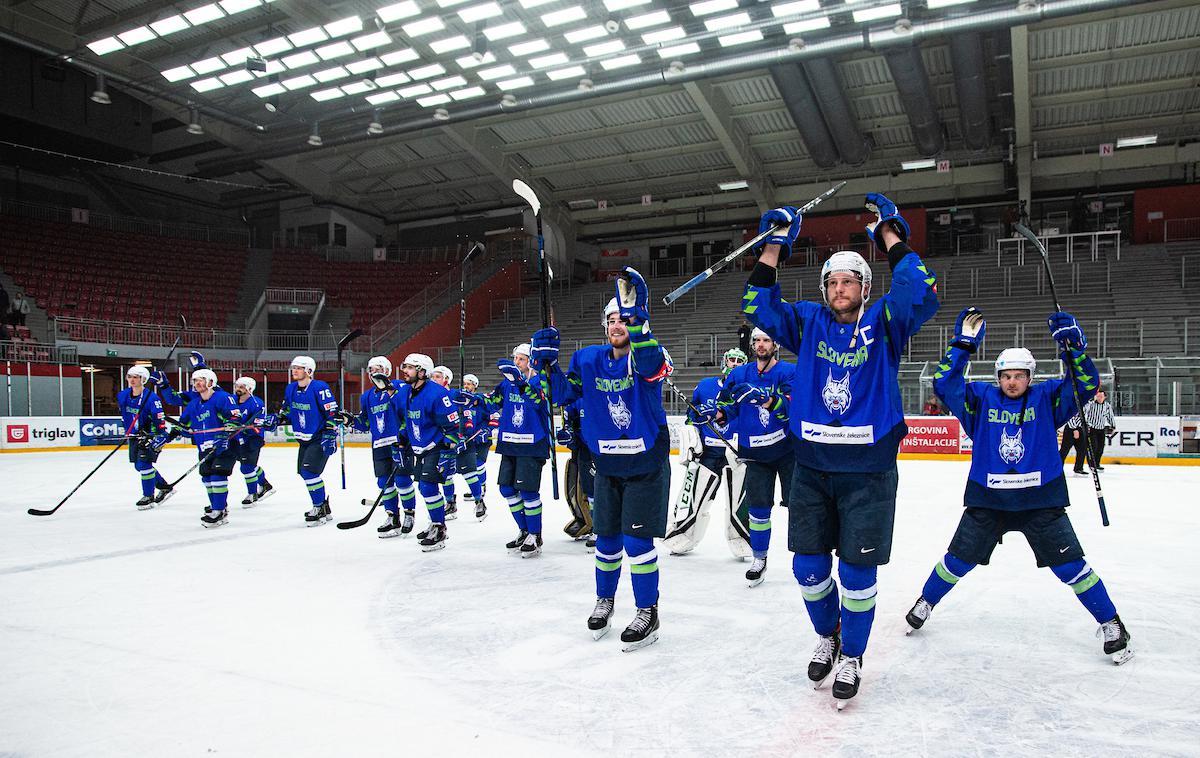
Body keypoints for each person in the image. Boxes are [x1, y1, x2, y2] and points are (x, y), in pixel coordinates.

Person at [742, 193, 939, 706]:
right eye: (831, 281)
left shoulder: (885, 324)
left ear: (865, 287)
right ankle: (827, 635)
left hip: (867, 473)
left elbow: (920, 290)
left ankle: (852, 653)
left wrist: (890, 234)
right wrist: (774, 247)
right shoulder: (807, 322)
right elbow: (757, 306)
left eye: (848, 280)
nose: (838, 288)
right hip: (811, 468)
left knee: (856, 573)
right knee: (808, 568)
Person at [905, 309, 1132, 665]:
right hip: (988, 500)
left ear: (1031, 377)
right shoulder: (980, 399)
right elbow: (944, 384)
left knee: (1072, 568)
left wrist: (1074, 348)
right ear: (997, 377)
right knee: (956, 562)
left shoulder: (1048, 398)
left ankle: (1112, 623)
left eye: (1019, 376)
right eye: (1006, 376)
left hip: (1041, 502)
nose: (1012, 382)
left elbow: (1087, 385)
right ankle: (926, 601)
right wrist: (962, 345)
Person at [532, 268, 673, 652]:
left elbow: (650, 369)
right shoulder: (587, 359)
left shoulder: (650, 351)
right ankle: (605, 600)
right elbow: (561, 395)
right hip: (606, 463)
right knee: (607, 541)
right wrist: (545, 365)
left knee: (637, 542)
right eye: (612, 319)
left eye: (623, 318)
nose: (617, 324)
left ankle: (648, 609)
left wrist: (639, 324)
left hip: (645, 464)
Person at [709, 331, 795, 587]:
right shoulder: (738, 375)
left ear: (776, 344)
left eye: (766, 340)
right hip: (754, 454)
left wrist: (768, 401)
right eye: (757, 341)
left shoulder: (788, 372)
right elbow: (729, 407)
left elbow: (794, 408)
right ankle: (759, 559)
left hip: (788, 451)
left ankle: (806, 556)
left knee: (800, 507)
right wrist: (719, 415)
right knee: (758, 511)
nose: (761, 345)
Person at [463, 344, 551, 556]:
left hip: (532, 444)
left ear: (531, 361)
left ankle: (535, 534)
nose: (516, 362)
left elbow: (540, 401)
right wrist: (473, 400)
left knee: (529, 491)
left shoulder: (541, 380)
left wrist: (522, 385)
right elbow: (492, 403)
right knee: (507, 489)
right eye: (515, 358)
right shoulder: (507, 383)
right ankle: (524, 530)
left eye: (521, 359)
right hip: (509, 442)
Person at [664, 347, 749, 558]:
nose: (735, 364)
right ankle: (683, 535)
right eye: (732, 360)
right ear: (724, 362)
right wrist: (694, 427)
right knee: (696, 494)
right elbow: (691, 414)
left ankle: (741, 538)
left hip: (735, 452)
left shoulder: (748, 390)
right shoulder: (705, 386)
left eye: (740, 361)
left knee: (739, 500)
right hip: (709, 451)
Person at [260, 356, 340, 526]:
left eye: (299, 368)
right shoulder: (291, 389)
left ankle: (319, 507)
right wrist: (278, 419)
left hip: (319, 437)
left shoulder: (319, 388)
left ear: (309, 371)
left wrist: (330, 433)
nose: (294, 370)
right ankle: (323, 507)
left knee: (310, 473)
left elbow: (332, 412)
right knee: (305, 474)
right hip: (303, 439)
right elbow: (287, 410)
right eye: (293, 367)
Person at [396, 353, 462, 551]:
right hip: (418, 448)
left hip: (436, 447)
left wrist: (449, 453)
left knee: (427, 487)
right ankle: (435, 522)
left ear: (422, 371)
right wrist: (400, 442)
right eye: (405, 366)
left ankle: (439, 528)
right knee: (425, 488)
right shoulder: (405, 392)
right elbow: (403, 419)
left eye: (409, 368)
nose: (405, 371)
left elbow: (452, 426)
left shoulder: (437, 394)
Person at [168, 369, 240, 528]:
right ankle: (218, 506)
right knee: (207, 477)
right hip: (204, 447)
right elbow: (184, 424)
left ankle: (219, 511)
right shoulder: (194, 404)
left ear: (211, 382)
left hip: (225, 445)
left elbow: (235, 418)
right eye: (195, 380)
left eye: (201, 379)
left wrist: (227, 433)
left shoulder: (223, 398)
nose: (197, 383)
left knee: (217, 476)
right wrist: (180, 431)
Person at [430, 364, 486, 521]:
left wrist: (463, 435)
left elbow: (470, 411)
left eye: (438, 377)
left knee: (469, 473)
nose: (434, 379)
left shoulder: (455, 394)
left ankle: (479, 501)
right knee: (446, 475)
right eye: (432, 376)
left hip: (462, 440)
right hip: (444, 443)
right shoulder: (430, 397)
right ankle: (450, 504)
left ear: (446, 379)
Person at [118, 365, 175, 509]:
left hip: (150, 435)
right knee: (139, 466)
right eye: (130, 376)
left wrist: (159, 435)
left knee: (144, 465)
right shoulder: (123, 395)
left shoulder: (152, 398)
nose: (132, 380)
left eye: (136, 377)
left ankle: (148, 496)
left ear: (143, 379)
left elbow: (159, 419)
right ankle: (164, 487)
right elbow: (125, 415)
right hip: (134, 435)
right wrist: (129, 430)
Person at [229, 376, 274, 506]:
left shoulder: (256, 403)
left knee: (247, 467)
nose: (238, 389)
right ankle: (265, 484)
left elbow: (258, 423)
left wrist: (247, 428)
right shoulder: (232, 400)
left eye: (241, 387)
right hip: (236, 438)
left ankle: (252, 494)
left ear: (249, 389)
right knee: (250, 465)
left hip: (253, 438)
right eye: (237, 386)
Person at [461, 372, 491, 519]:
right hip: (470, 440)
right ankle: (478, 488)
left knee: (479, 464)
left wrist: (487, 430)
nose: (466, 386)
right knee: (471, 466)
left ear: (475, 386)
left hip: (482, 440)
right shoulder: (461, 401)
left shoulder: (481, 401)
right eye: (465, 383)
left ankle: (482, 486)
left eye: (469, 384)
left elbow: (494, 417)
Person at [1082, 387, 1115, 472]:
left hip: (1101, 429)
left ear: (1105, 397)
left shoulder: (1107, 406)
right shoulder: (1090, 404)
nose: (1099, 398)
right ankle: (1092, 464)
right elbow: (1084, 413)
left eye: (1101, 396)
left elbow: (1110, 416)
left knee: (1100, 448)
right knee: (1094, 447)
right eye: (1098, 396)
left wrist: (1113, 426)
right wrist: (1086, 425)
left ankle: (1097, 464)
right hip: (1092, 429)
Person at [1058, 411, 1088, 475]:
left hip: (1080, 429)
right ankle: (1058, 468)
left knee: (1082, 450)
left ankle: (1078, 468)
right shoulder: (1075, 402)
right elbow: (1070, 416)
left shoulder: (1087, 404)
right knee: (1064, 450)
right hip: (1070, 429)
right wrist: (1075, 429)